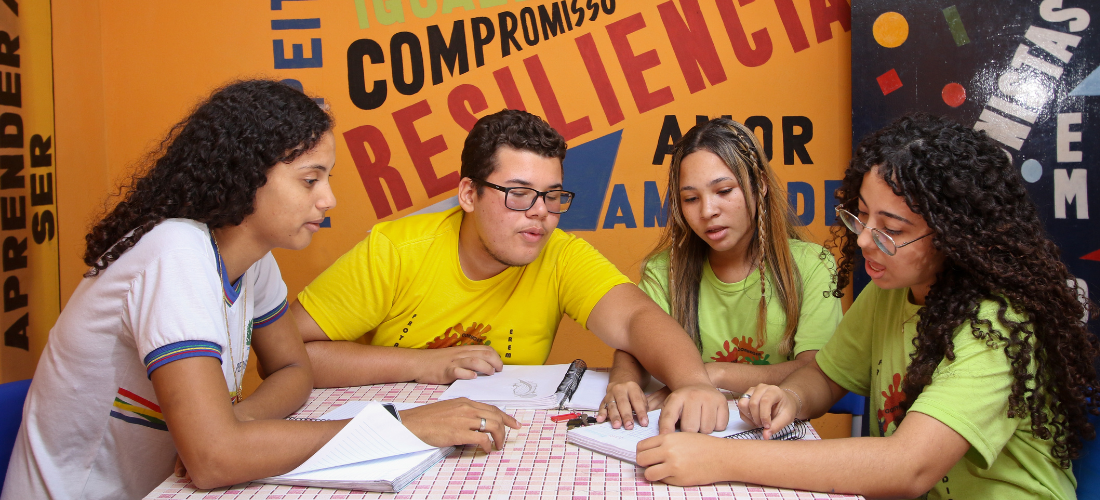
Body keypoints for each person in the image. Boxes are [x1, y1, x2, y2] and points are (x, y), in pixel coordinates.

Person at [0, 80, 518, 500]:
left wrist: (238, 422)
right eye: (310, 180)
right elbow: (214, 460)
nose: (330, 199)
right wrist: (398, 426)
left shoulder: (255, 261)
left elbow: (294, 370)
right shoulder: (174, 250)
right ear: (245, 175)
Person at [634, 113, 1100, 499]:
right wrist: (792, 398)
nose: (863, 241)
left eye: (891, 229)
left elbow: (908, 466)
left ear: (954, 236)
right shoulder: (889, 290)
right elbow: (825, 374)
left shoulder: (997, 324)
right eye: (861, 216)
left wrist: (720, 459)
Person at [292, 109, 728, 434]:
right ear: (469, 193)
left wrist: (692, 382)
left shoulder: (559, 255)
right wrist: (423, 364)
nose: (540, 213)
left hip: (499, 439)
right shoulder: (394, 250)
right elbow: (288, 355)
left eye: (552, 196)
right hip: (390, 433)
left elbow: (638, 319)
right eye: (519, 194)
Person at [597, 118, 841, 429]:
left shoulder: (813, 264)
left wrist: (712, 374)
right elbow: (634, 343)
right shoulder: (663, 270)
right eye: (690, 198)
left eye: (724, 190)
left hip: (770, 433)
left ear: (760, 184)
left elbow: (815, 369)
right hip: (693, 430)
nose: (707, 210)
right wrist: (623, 380)